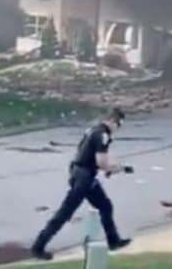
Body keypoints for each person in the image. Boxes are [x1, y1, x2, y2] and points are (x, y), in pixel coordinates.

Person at [30, 108, 133, 261]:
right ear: (113, 121)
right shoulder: (103, 135)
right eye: (118, 125)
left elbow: (84, 152)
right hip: (84, 179)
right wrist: (121, 168)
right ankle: (38, 247)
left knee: (105, 206)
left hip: (81, 173)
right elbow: (102, 162)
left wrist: (100, 168)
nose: (117, 129)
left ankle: (114, 240)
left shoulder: (92, 130)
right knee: (65, 213)